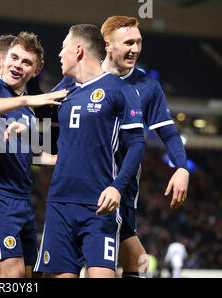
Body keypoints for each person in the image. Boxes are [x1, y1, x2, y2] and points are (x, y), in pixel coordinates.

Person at [34, 24, 145, 278]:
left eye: (64, 48)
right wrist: (23, 125)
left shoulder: (120, 89)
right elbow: (37, 118)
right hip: (59, 205)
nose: (60, 54)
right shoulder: (65, 91)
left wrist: (117, 186)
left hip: (99, 205)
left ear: (79, 50)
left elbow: (137, 144)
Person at [0, 31, 67, 278]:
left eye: (26, 62)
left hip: (23, 198)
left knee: (30, 274)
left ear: (36, 69)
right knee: (12, 273)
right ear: (3, 58)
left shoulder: (28, 109)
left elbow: (35, 156)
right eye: (14, 57)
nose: (18, 66)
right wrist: (26, 101)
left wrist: (70, 160)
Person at [100, 16, 189, 278]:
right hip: (87, 184)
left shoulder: (148, 86)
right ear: (108, 45)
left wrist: (182, 167)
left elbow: (169, 133)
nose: (135, 49)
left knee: (136, 262)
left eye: (139, 42)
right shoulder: (85, 77)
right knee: (102, 262)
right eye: (128, 42)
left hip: (125, 189)